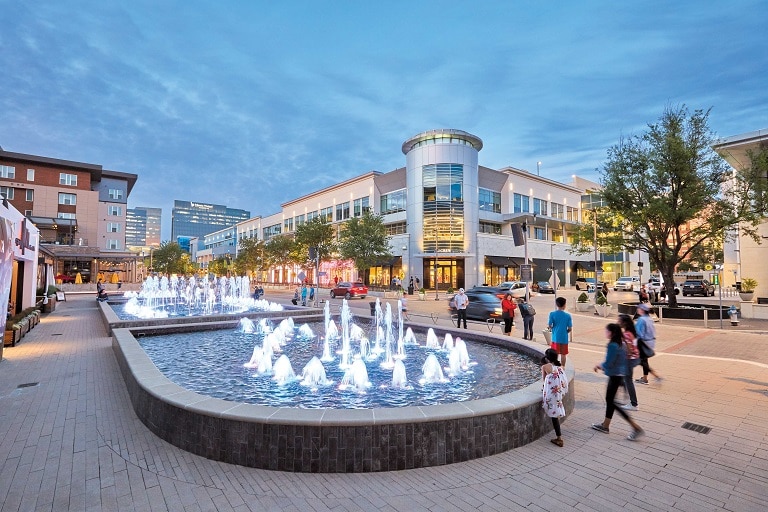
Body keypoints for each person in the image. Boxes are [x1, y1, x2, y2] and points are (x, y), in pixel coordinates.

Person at [591, 323, 644, 441]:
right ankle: (605, 425)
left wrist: (599, 365)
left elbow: (609, 362)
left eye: (607, 331)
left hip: (614, 376)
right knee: (611, 402)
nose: (605, 333)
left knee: (613, 403)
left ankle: (635, 427)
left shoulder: (613, 345)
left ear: (611, 332)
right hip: (619, 376)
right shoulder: (622, 343)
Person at [542, 348, 568, 447]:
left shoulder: (545, 367)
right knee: (555, 413)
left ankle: (559, 438)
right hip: (558, 393)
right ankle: (558, 436)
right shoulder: (560, 367)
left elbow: (544, 381)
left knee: (554, 416)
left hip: (550, 394)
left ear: (547, 357)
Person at [634, 303, 662, 384]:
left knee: (640, 361)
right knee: (644, 360)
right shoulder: (649, 318)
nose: (637, 309)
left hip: (643, 343)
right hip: (650, 342)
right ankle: (645, 378)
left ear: (642, 310)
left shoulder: (641, 319)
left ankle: (656, 376)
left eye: (638, 308)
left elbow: (639, 333)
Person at [618, 313, 640, 410]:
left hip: (630, 359)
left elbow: (629, 350)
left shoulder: (626, 334)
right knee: (625, 379)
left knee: (628, 380)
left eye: (619, 321)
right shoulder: (631, 332)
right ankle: (628, 399)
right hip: (633, 358)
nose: (618, 322)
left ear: (624, 323)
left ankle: (634, 404)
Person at [547, 297, 572, 366]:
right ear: (564, 305)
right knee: (563, 354)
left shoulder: (552, 314)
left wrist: (553, 329)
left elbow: (549, 325)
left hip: (555, 337)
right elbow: (570, 328)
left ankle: (555, 367)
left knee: (555, 354)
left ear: (556, 304)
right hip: (564, 338)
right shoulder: (568, 316)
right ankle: (563, 368)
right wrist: (566, 332)